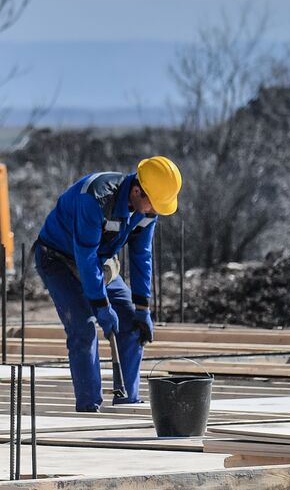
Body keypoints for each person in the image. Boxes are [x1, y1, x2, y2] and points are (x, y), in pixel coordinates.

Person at [33, 157, 182, 412]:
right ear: (137, 191)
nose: (154, 212)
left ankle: (127, 401)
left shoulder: (146, 210)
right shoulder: (96, 199)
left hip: (98, 261)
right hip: (57, 258)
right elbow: (85, 256)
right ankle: (90, 408)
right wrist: (101, 306)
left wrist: (143, 308)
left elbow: (141, 255)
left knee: (131, 322)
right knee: (83, 327)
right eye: (153, 206)